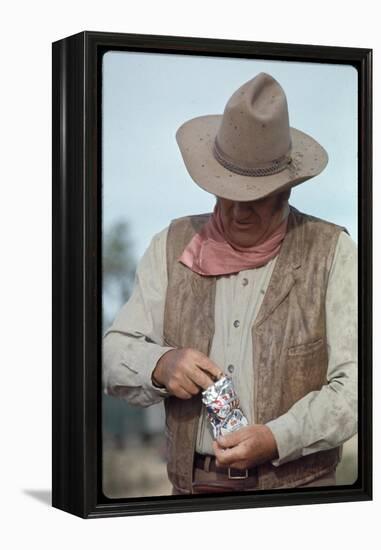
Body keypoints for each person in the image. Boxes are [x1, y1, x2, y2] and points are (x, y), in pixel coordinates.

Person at [103, 73, 357, 495]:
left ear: (285, 192)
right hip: (192, 492)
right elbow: (110, 354)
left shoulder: (333, 252)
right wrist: (160, 364)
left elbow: (358, 389)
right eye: (226, 193)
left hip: (300, 497)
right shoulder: (168, 246)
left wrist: (279, 437)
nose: (238, 211)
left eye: (254, 198)